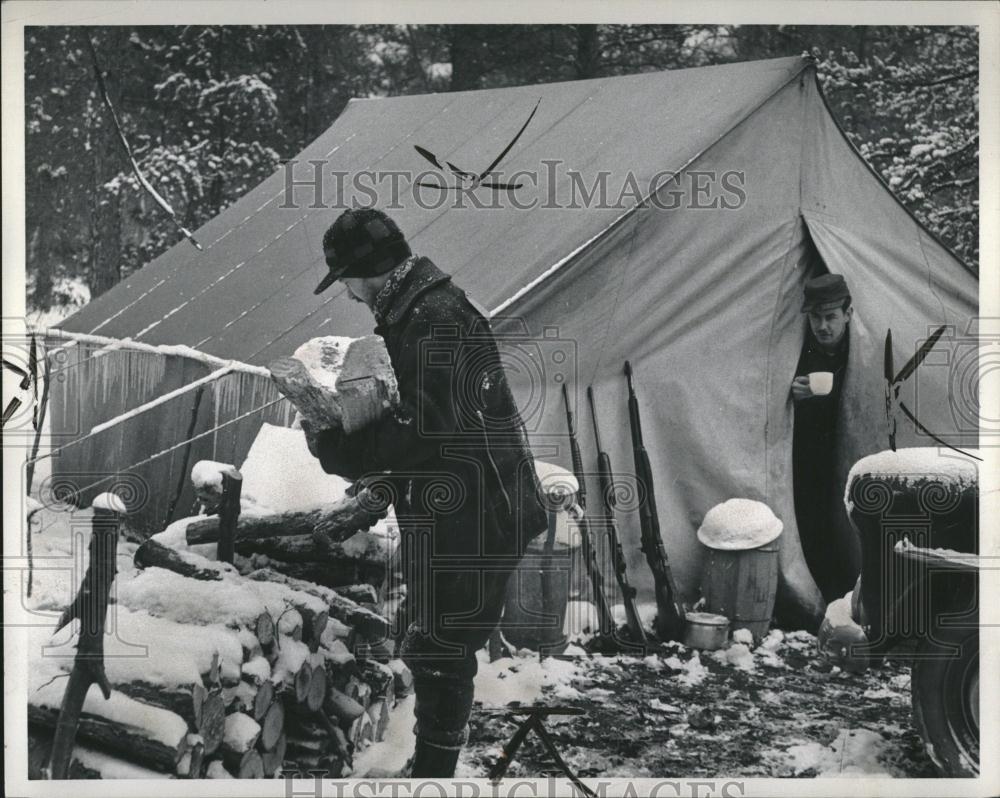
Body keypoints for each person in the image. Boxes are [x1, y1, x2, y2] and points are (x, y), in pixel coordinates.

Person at [302, 207, 548, 777]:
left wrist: (344, 448)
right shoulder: (419, 306)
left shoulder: (430, 317)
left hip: (477, 516)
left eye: (344, 281)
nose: (348, 295)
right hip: (465, 507)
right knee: (438, 643)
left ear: (364, 271)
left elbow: (424, 427)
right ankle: (431, 769)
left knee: (442, 651)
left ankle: (432, 778)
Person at [791, 273, 855, 604]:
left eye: (831, 316)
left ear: (849, 314)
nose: (823, 326)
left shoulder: (859, 351)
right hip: (810, 453)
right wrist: (795, 398)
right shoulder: (798, 352)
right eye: (816, 317)